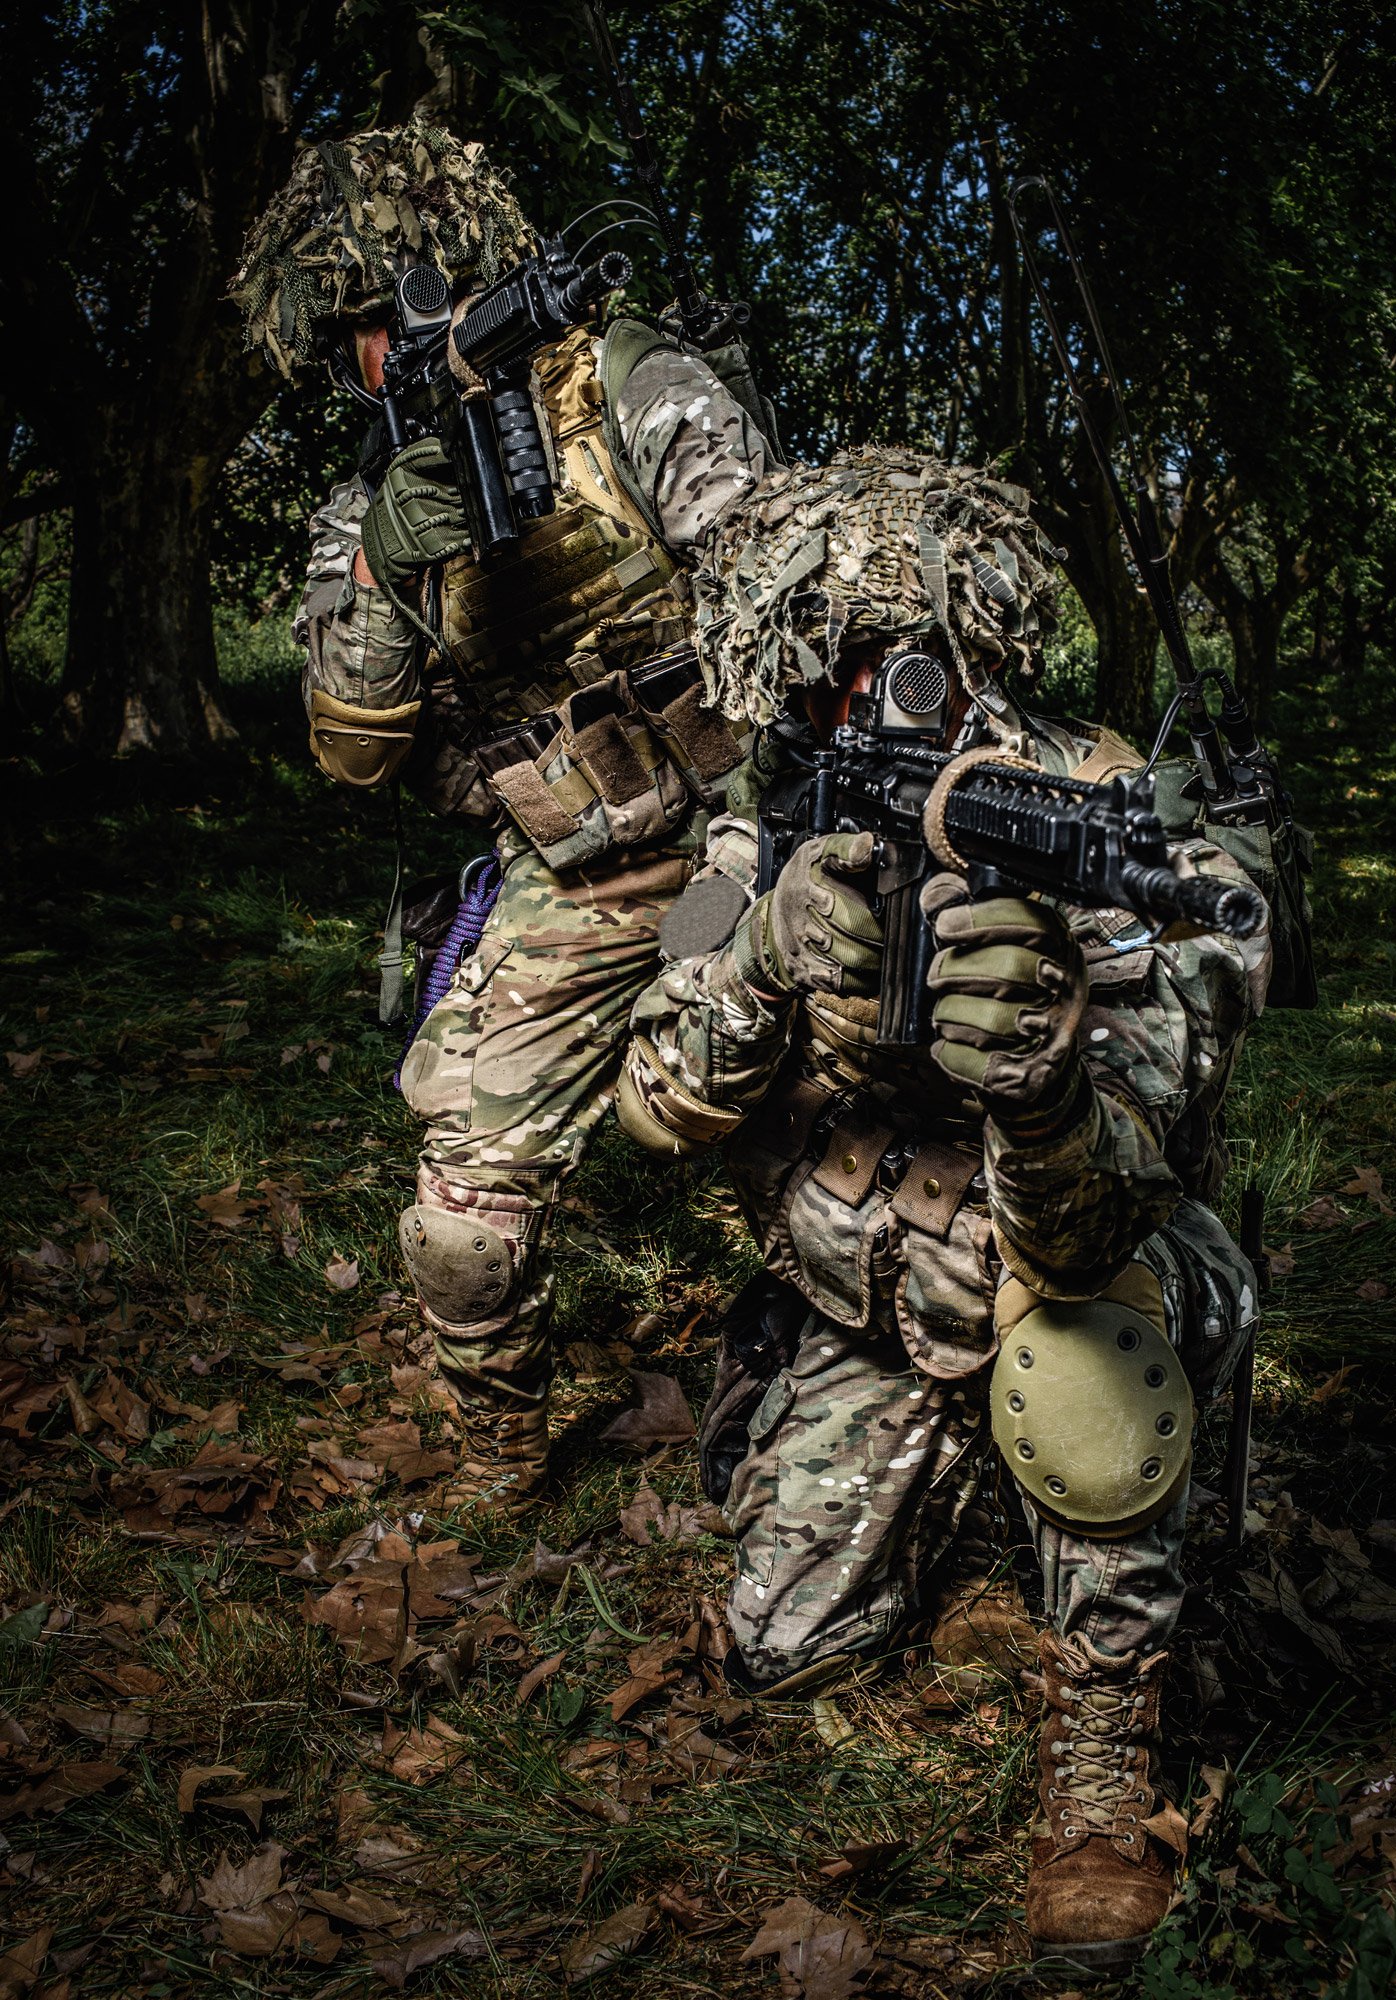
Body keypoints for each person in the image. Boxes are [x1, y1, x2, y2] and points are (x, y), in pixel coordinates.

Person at [614, 447, 1273, 1976]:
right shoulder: (753, 822)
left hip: (1069, 1270)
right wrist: (759, 957)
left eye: (917, 658)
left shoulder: (1098, 808)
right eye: (840, 661)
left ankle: (1101, 1748)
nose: (883, 693)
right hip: (874, 1288)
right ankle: (910, 1447)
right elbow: (651, 1102)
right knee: (786, 1649)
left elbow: (1138, 1158)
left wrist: (1040, 1087)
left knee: (1097, 1361)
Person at [230, 121, 779, 1512]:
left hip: (750, 827)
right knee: (459, 1219)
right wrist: (384, 567)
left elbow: (791, 626)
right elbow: (355, 754)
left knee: (807, 1132)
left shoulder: (630, 386)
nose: (368, 363)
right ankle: (501, 1452)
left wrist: (753, 861)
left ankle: (845, 1386)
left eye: (372, 326)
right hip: (574, 868)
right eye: (351, 342)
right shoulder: (371, 503)